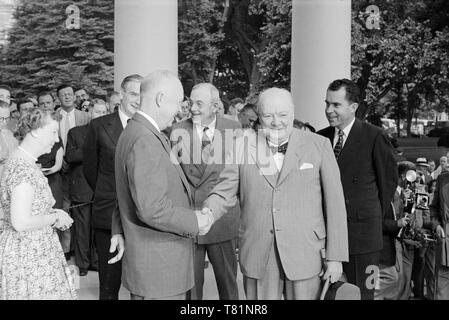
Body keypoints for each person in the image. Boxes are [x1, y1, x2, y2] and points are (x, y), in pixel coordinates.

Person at [202, 87, 348, 300]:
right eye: (268, 116)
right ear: (258, 116)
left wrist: (336, 257)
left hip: (306, 252)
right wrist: (206, 213)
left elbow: (335, 204)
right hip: (258, 253)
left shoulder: (319, 145)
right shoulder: (242, 145)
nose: (276, 122)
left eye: (283, 115)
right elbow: (224, 192)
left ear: (293, 112)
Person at [109, 70, 213, 300]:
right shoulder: (145, 139)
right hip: (159, 269)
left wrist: (119, 229)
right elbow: (152, 209)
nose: (180, 111)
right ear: (160, 99)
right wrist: (196, 220)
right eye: (178, 103)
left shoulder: (137, 131)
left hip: (152, 265)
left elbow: (127, 193)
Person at [317, 79, 398, 300]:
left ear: (354, 107)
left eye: (336, 105)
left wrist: (367, 218)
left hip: (363, 239)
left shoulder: (374, 136)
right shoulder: (319, 137)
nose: (329, 110)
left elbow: (388, 183)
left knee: (363, 294)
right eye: (327, 104)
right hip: (325, 237)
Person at [171, 83, 241, 300]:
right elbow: (172, 173)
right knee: (191, 290)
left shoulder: (234, 129)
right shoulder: (176, 129)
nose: (193, 108)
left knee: (228, 287)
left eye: (199, 103)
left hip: (222, 219)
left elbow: (239, 176)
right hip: (190, 219)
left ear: (215, 105)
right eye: (191, 103)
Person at [0, 108, 76, 299]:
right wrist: (54, 217)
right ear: (34, 131)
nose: (57, 139)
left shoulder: (23, 161)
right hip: (28, 254)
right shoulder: (22, 168)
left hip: (34, 248)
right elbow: (21, 222)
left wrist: (53, 213)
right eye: (53, 132)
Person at [83, 74, 143, 300]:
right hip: (108, 214)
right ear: (122, 94)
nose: (137, 99)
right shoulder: (99, 126)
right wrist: (108, 193)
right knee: (109, 286)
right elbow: (91, 170)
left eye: (141, 94)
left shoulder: (149, 128)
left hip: (142, 217)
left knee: (141, 285)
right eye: (133, 93)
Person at [66, 100, 107, 276]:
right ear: (90, 113)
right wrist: (92, 150)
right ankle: (82, 264)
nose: (101, 115)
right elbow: (70, 155)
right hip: (82, 189)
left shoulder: (109, 133)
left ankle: (96, 262)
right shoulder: (75, 132)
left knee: (98, 229)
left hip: (102, 189)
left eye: (104, 112)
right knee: (82, 230)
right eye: (98, 112)